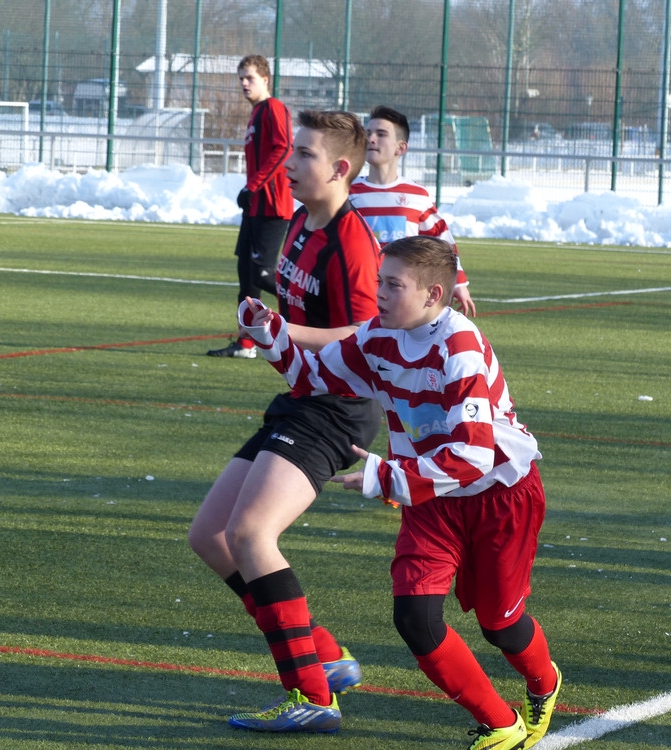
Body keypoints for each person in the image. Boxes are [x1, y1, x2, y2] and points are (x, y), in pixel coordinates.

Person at [238, 235, 562, 750]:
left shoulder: (459, 346)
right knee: (414, 618)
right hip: (430, 501)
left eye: (393, 285)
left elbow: (475, 455)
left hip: (499, 497)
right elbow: (312, 378)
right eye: (379, 282)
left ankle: (544, 684)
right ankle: (501, 724)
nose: (380, 294)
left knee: (500, 625)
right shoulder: (377, 335)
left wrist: (388, 478)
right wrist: (268, 332)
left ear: (433, 294)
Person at [188, 110, 383, 734]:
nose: (291, 164)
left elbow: (366, 336)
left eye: (304, 155)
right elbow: (299, 319)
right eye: (292, 151)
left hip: (339, 407)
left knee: (251, 534)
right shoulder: (301, 220)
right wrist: (266, 322)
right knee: (210, 536)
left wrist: (285, 330)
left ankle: (311, 696)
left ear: (340, 168)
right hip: (303, 397)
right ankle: (325, 656)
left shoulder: (354, 243)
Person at [350, 104, 476, 317]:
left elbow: (442, 240)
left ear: (401, 148)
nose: (371, 139)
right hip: (359, 291)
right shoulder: (348, 191)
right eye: (368, 133)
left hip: (402, 295)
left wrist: (458, 282)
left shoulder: (416, 195)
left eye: (381, 134)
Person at [207, 54, 294, 359]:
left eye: (250, 78)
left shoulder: (273, 108)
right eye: (241, 78)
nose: (244, 83)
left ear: (265, 80)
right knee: (246, 274)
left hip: (272, 206)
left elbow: (283, 148)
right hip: (255, 207)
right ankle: (246, 344)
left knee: (261, 274)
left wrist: (253, 185)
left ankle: (308, 308)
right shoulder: (256, 112)